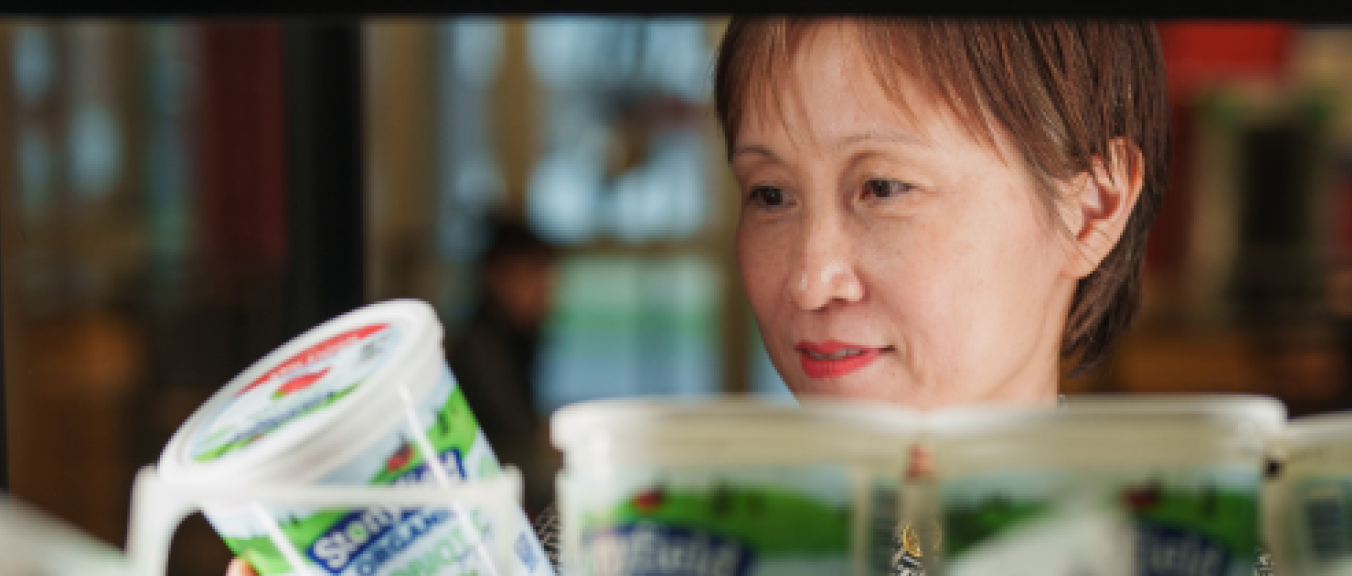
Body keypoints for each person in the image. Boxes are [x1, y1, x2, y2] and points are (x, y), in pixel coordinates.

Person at [230, 16, 1171, 576]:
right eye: (770, 194)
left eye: (883, 187)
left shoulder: (1229, 549)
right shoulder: (609, 553)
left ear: (1094, 203)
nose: (809, 277)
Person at [448, 218, 560, 515]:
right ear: (496, 277)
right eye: (529, 276)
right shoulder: (479, 346)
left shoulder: (516, 337)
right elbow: (520, 433)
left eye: (544, 277)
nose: (542, 291)